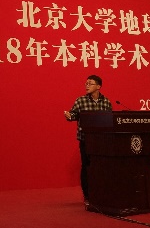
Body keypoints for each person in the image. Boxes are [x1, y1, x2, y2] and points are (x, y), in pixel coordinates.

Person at [64, 75, 112, 205]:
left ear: (98, 86)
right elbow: (74, 114)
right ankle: (87, 196)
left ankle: (101, 194)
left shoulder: (106, 102)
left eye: (90, 83)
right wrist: (69, 116)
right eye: (86, 83)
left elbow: (109, 121)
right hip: (86, 140)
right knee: (86, 167)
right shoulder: (81, 100)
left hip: (101, 141)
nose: (87, 85)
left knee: (101, 168)